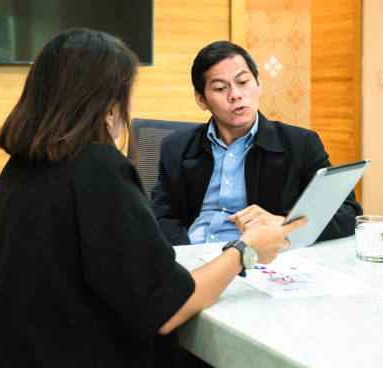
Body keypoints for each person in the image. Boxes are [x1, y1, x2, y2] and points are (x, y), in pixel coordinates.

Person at [0, 28, 307, 368]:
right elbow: (167, 308)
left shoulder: (20, 167)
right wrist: (246, 250)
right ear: (107, 101)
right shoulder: (98, 169)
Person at [151, 41, 362, 246]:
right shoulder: (176, 147)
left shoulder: (301, 144)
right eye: (220, 88)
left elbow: (348, 212)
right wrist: (184, 258)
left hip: (262, 258)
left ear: (259, 83)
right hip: (194, 258)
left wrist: (283, 224)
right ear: (201, 100)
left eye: (243, 83)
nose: (236, 95)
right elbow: (161, 215)